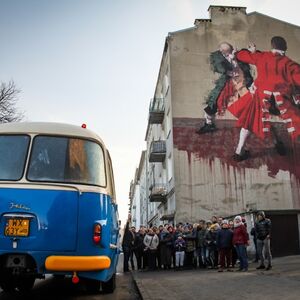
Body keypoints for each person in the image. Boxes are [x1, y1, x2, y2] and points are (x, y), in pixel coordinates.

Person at [228, 36, 300, 161]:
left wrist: (238, 53)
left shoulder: (262, 56)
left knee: (249, 122)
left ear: (272, 46)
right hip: (281, 102)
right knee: (293, 120)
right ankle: (278, 143)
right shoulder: (289, 64)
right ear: (285, 48)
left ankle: (239, 152)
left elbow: (244, 56)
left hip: (261, 99)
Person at [196, 42, 253, 134]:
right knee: (214, 103)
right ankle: (209, 124)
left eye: (230, 51)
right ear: (221, 52)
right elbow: (219, 67)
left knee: (247, 103)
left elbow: (247, 60)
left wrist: (241, 55)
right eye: (227, 52)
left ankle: (250, 122)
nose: (229, 53)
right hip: (227, 83)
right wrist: (229, 67)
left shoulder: (238, 53)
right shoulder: (216, 56)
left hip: (241, 83)